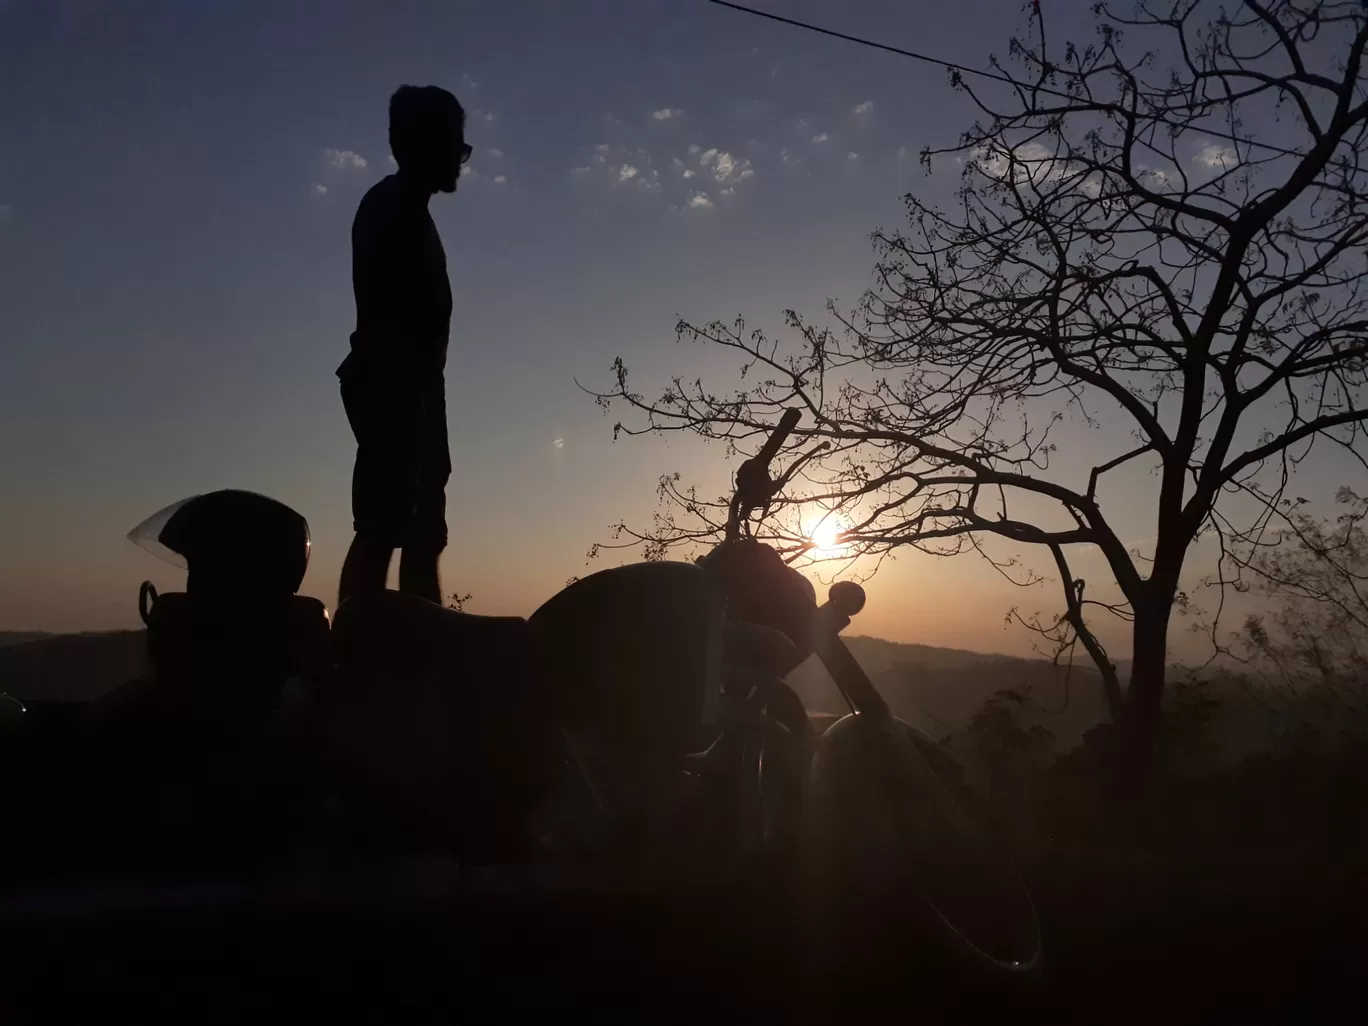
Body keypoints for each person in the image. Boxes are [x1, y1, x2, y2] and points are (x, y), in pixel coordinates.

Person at [337, 85, 469, 608]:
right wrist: (412, 420)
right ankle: (358, 666)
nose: (459, 159)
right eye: (453, 146)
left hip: (410, 396)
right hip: (395, 393)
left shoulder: (406, 212)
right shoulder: (391, 212)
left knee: (416, 539)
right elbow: (394, 331)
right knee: (384, 532)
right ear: (417, 144)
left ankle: (417, 665)